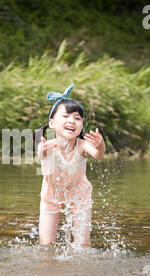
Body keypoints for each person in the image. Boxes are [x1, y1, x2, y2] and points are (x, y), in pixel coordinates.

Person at [37, 84, 105, 247]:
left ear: (81, 125)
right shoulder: (48, 145)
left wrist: (100, 146)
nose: (71, 121)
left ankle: (79, 271)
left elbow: (98, 155)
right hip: (51, 194)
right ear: (52, 123)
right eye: (65, 116)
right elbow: (41, 153)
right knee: (47, 244)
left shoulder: (82, 146)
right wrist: (44, 151)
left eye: (77, 118)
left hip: (79, 193)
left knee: (82, 244)